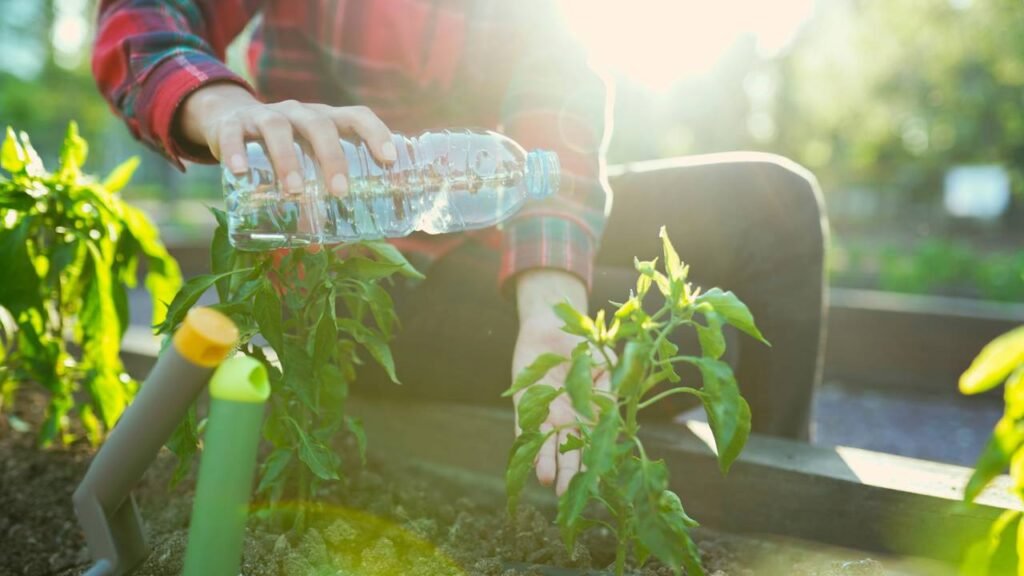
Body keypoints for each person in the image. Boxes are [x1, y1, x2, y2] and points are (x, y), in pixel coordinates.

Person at [93, 0, 827, 498]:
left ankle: (790, 511)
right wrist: (224, 107)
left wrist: (552, 307)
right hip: (350, 257)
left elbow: (555, 96)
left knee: (775, 206)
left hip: (485, 198)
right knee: (686, 343)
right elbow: (145, 13)